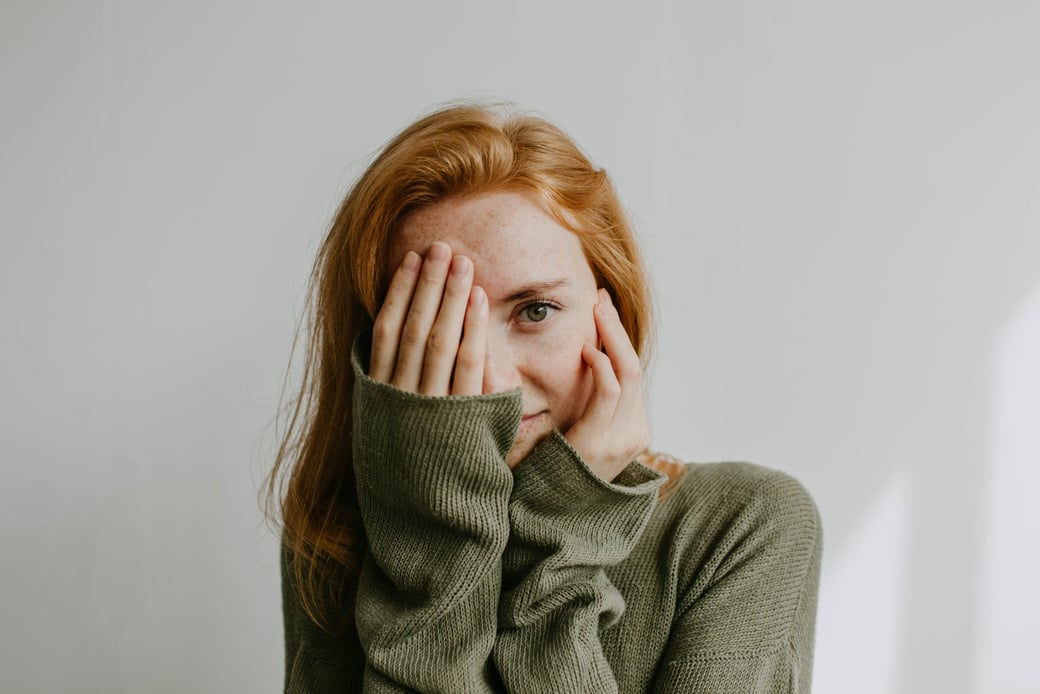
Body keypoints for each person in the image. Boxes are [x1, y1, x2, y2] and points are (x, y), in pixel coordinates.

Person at [264, 102, 823, 693]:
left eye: (536, 310)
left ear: (613, 317)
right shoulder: (339, 537)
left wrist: (562, 547)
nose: (496, 381)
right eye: (443, 331)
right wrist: (430, 549)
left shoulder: (742, 526)